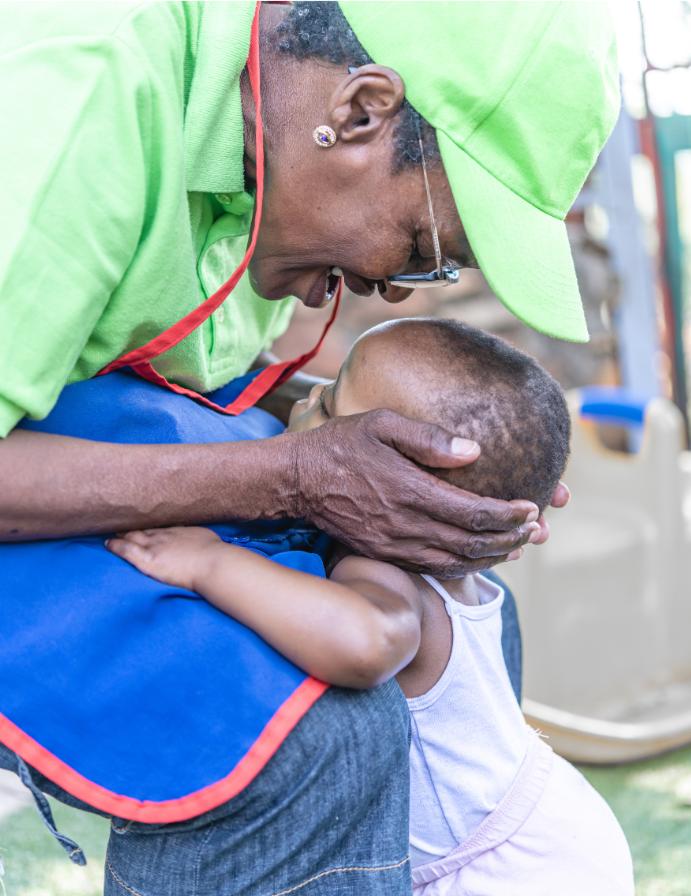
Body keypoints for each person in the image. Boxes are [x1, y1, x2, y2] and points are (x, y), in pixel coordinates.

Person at [0, 1, 619, 893]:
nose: (394, 289)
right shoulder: (75, 93)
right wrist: (293, 475)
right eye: (422, 247)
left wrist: (450, 463)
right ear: (361, 112)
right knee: (315, 728)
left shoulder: (269, 164)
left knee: (456, 620)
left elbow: (194, 381)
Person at [108, 318, 635, 896]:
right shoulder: (449, 568)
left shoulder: (385, 571)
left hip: (510, 873)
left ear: (400, 484)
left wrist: (209, 563)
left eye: (329, 404)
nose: (307, 399)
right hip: (538, 829)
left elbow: (370, 640)